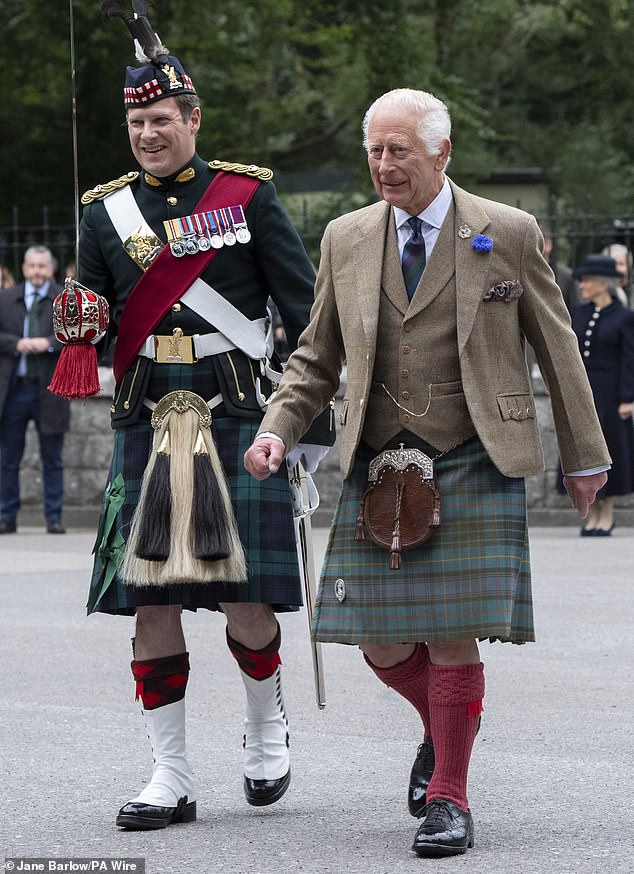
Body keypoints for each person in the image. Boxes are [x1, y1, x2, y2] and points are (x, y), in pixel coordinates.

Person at [244, 88, 610, 859]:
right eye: (374, 150)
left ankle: (449, 797)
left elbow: (557, 346)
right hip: (380, 457)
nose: (383, 164)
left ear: (442, 152)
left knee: (451, 638)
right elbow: (315, 356)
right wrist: (278, 429)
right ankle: (446, 732)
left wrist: (585, 456)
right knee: (376, 641)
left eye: (398, 150)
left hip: (475, 450)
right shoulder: (345, 237)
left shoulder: (507, 232)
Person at [77, 7, 333, 831]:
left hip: (235, 417)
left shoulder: (245, 196)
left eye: (161, 119)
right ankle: (171, 774)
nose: (147, 134)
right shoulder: (102, 214)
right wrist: (78, 323)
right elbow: (94, 321)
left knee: (242, 598)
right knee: (148, 603)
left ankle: (266, 733)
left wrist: (307, 432)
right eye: (136, 121)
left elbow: (306, 316)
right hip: (145, 424)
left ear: (192, 119)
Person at [0, 245, 69, 534]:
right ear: (24, 269)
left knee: (52, 457)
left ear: (51, 269)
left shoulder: (64, 301)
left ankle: (53, 517)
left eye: (43, 266)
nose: (37, 271)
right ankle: (7, 516)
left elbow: (75, 335)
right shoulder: (5, 299)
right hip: (14, 390)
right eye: (32, 266)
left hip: (50, 389)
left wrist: (49, 343)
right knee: (7, 457)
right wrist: (15, 344)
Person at [569, 254, 634, 534]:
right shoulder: (578, 313)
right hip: (584, 390)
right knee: (584, 450)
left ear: (603, 284)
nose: (582, 286)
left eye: (587, 281)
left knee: (611, 449)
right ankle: (592, 512)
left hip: (610, 391)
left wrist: (627, 398)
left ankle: (607, 513)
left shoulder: (624, 317)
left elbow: (630, 360)